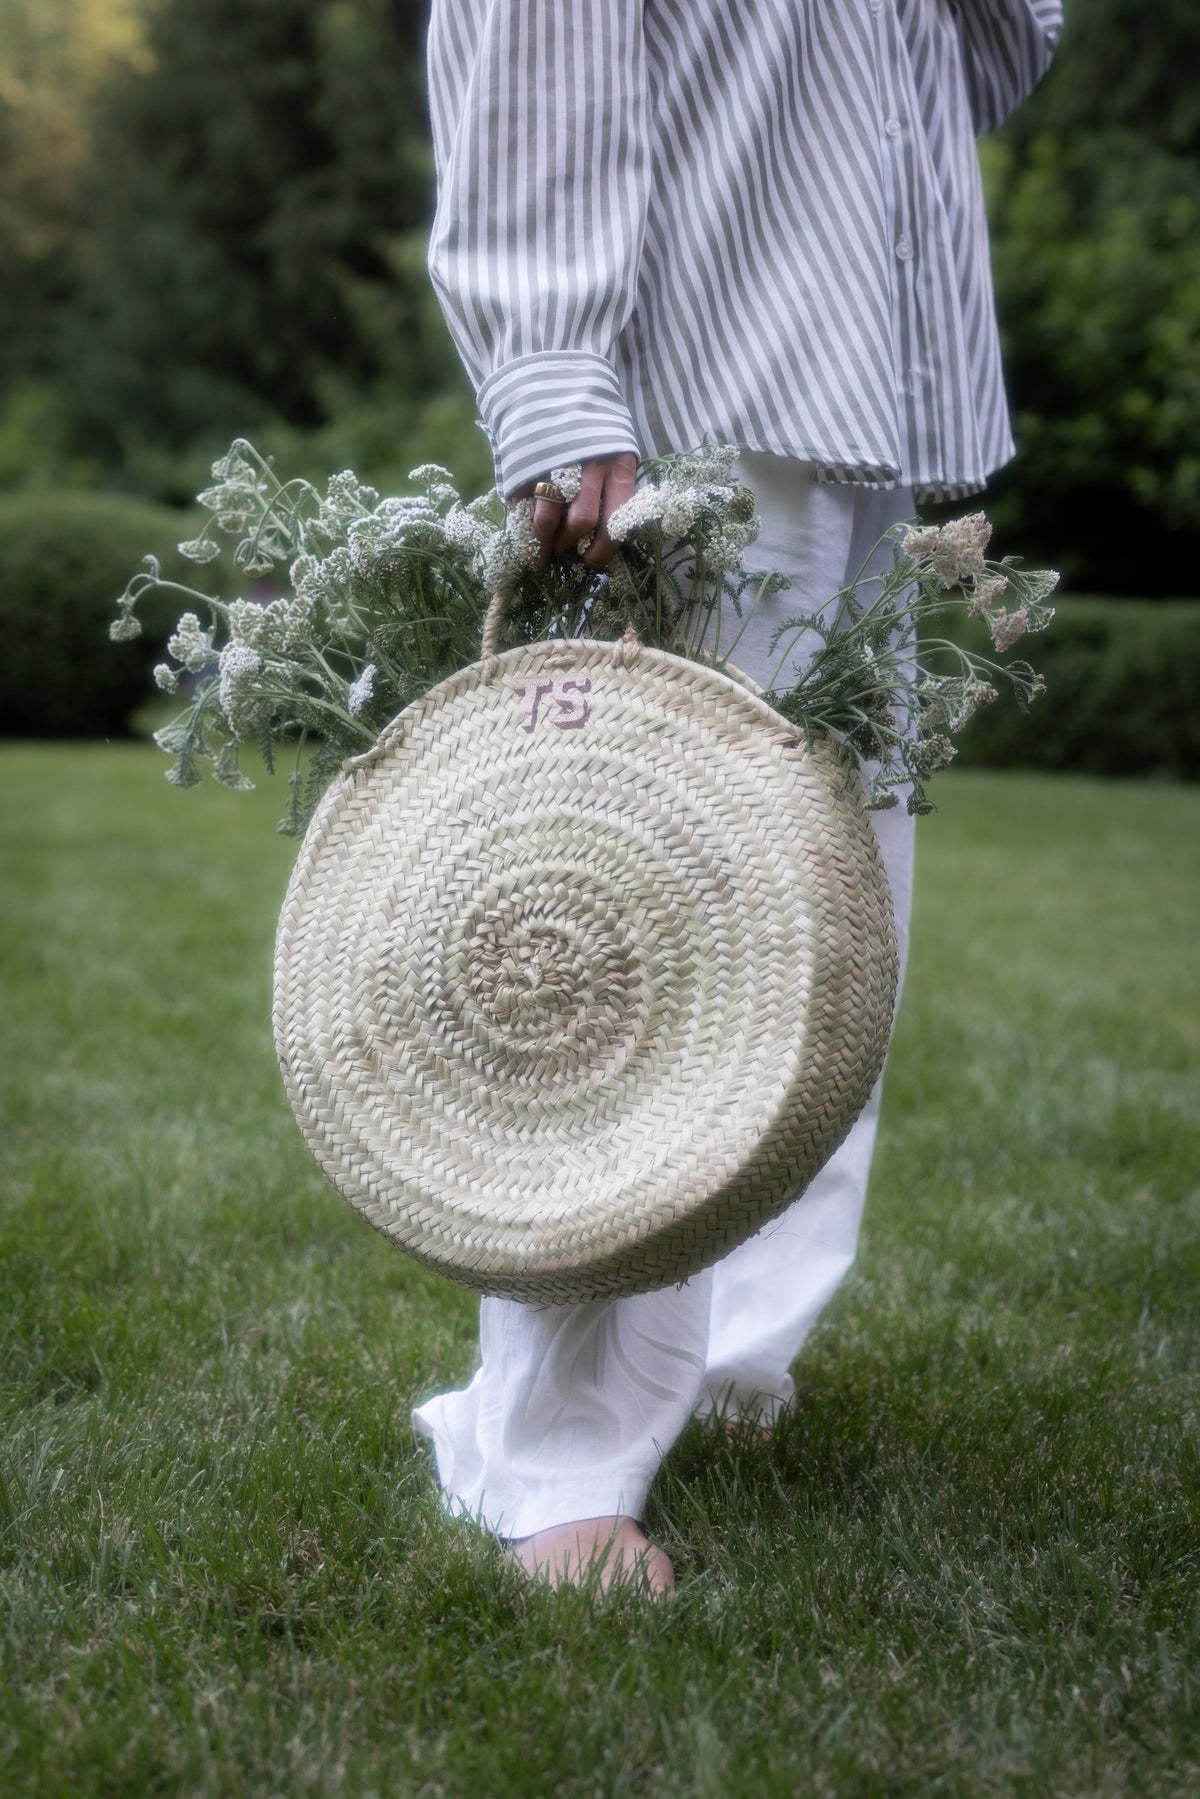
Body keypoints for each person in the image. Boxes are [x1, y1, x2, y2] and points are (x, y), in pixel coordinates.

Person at [412, 0, 1063, 1593]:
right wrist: (558, 372)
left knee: (827, 917)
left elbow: (988, 52)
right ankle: (554, 1459)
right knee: (631, 938)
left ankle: (735, 1350)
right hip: (695, 369)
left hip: (859, 373)